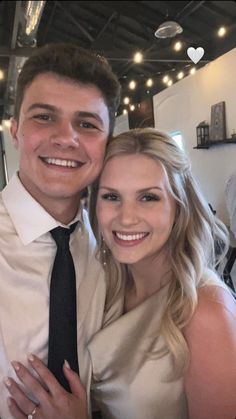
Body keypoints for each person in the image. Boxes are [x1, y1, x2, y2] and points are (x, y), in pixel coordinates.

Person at [5, 129, 236, 419]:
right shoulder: (108, 286)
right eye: (112, 196)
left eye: (148, 198)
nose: (126, 218)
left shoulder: (206, 311)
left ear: (179, 206)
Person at [0, 42, 121, 419]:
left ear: (106, 144)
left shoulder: (116, 245)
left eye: (87, 124)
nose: (66, 138)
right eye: (44, 117)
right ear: (16, 132)